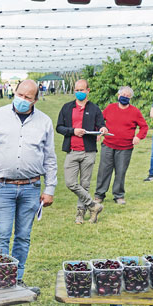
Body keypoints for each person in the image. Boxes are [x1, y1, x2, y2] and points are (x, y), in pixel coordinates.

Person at [0, 80, 57, 283]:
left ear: (35, 100)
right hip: (2, 186)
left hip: (31, 187)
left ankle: (17, 278)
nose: (22, 99)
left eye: (27, 97)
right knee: (2, 233)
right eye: (20, 94)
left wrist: (50, 188)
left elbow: (50, 158)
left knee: (23, 236)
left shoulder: (44, 121)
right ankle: (0, 277)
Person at [55, 79, 107, 224]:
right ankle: (93, 205)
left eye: (82, 90)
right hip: (72, 151)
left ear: (88, 91)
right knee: (70, 183)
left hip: (88, 151)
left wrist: (103, 129)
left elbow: (101, 125)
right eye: (77, 90)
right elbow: (59, 127)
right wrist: (73, 131)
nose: (79, 93)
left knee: (85, 184)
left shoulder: (95, 109)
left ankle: (80, 213)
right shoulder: (67, 108)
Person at [94, 86, 148, 205]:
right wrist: (98, 132)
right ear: (118, 96)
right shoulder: (110, 108)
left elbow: (144, 126)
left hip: (125, 148)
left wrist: (138, 136)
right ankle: (99, 195)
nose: (125, 97)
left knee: (120, 171)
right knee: (104, 170)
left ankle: (118, 195)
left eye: (128, 96)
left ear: (131, 98)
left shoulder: (135, 112)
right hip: (108, 145)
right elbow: (100, 121)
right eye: (123, 95)